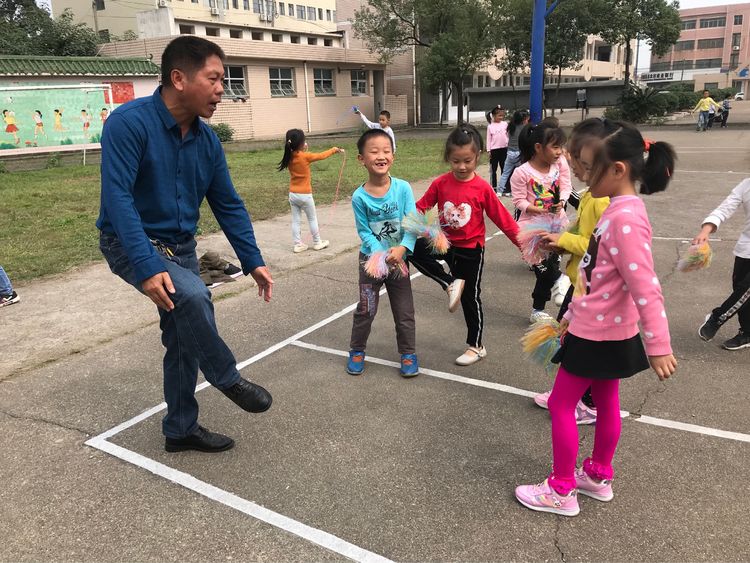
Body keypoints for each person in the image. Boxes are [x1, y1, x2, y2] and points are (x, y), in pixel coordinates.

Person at [97, 36, 273, 454]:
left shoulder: (207, 141)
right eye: (213, 79)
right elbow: (117, 197)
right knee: (194, 297)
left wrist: (253, 260)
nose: (221, 89)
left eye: (223, 80)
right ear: (179, 78)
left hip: (181, 248)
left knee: (182, 338)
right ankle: (227, 377)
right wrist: (144, 264)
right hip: (130, 242)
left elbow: (228, 203)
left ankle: (179, 429)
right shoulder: (128, 124)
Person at [515, 119, 678, 517]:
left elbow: (646, 286)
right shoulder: (619, 211)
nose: (584, 176)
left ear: (618, 170)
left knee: (560, 405)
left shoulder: (623, 218)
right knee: (606, 402)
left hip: (598, 333)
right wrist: (569, 312)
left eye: (589, 167)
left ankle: (561, 489)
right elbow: (595, 273)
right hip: (604, 327)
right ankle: (598, 477)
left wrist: (658, 345)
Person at [408, 124, 521, 366]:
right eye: (455, 161)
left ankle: (476, 346)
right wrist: (402, 221)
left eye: (467, 161)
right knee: (411, 250)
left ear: (478, 155)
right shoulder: (440, 183)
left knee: (470, 297)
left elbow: (503, 219)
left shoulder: (482, 188)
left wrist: (524, 244)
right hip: (444, 243)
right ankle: (449, 283)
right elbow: (421, 206)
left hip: (471, 250)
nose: (461, 166)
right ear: (448, 157)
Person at [533, 120, 611, 425]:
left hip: (590, 287)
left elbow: (596, 244)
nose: (570, 163)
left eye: (577, 160)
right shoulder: (590, 195)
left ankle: (588, 404)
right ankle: (567, 393)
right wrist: (561, 244)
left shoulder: (604, 201)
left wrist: (565, 241)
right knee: (567, 339)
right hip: (578, 280)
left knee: (579, 346)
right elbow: (580, 231)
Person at [346, 128, 419, 378]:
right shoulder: (359, 197)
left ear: (393, 156)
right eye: (374, 151)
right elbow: (364, 232)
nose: (381, 156)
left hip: (399, 262)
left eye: (386, 151)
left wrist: (401, 249)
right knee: (366, 309)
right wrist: (380, 253)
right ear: (361, 159)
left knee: (404, 311)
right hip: (371, 263)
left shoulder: (403, 189)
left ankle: (408, 353)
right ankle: (356, 350)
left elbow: (412, 223)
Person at [511, 121, 572, 323]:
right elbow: (519, 201)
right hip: (532, 230)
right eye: (555, 147)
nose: (559, 152)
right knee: (542, 267)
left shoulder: (560, 164)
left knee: (550, 266)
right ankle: (560, 280)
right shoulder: (522, 172)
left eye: (561, 147)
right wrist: (541, 208)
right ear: (538, 147)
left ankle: (537, 309)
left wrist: (561, 202)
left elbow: (566, 187)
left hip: (557, 225)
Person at [695, 178, 750, 351]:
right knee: (741, 293)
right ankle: (747, 333)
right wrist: (705, 231)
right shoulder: (746, 185)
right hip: (745, 249)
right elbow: (725, 208)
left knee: (745, 291)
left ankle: (717, 317)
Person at [277, 128, 343, 253]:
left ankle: (297, 244)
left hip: (293, 194)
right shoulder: (306, 156)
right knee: (312, 219)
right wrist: (334, 149)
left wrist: (302, 149)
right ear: (301, 143)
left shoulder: (288, 156)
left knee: (296, 220)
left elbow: (299, 156)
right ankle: (317, 242)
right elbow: (321, 155)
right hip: (305, 195)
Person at [498, 110, 529, 197]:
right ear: (523, 119)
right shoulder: (524, 128)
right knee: (522, 173)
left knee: (505, 173)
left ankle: (500, 191)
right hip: (519, 154)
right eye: (526, 119)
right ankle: (518, 191)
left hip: (510, 153)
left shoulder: (510, 126)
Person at [486, 105, 509, 194]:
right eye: (499, 115)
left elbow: (507, 135)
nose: (501, 117)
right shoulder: (490, 126)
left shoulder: (505, 124)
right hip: (494, 150)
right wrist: (489, 150)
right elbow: (488, 139)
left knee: (504, 169)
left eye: (502, 116)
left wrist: (508, 144)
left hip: (504, 149)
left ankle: (504, 188)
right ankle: (494, 188)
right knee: (494, 170)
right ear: (493, 116)